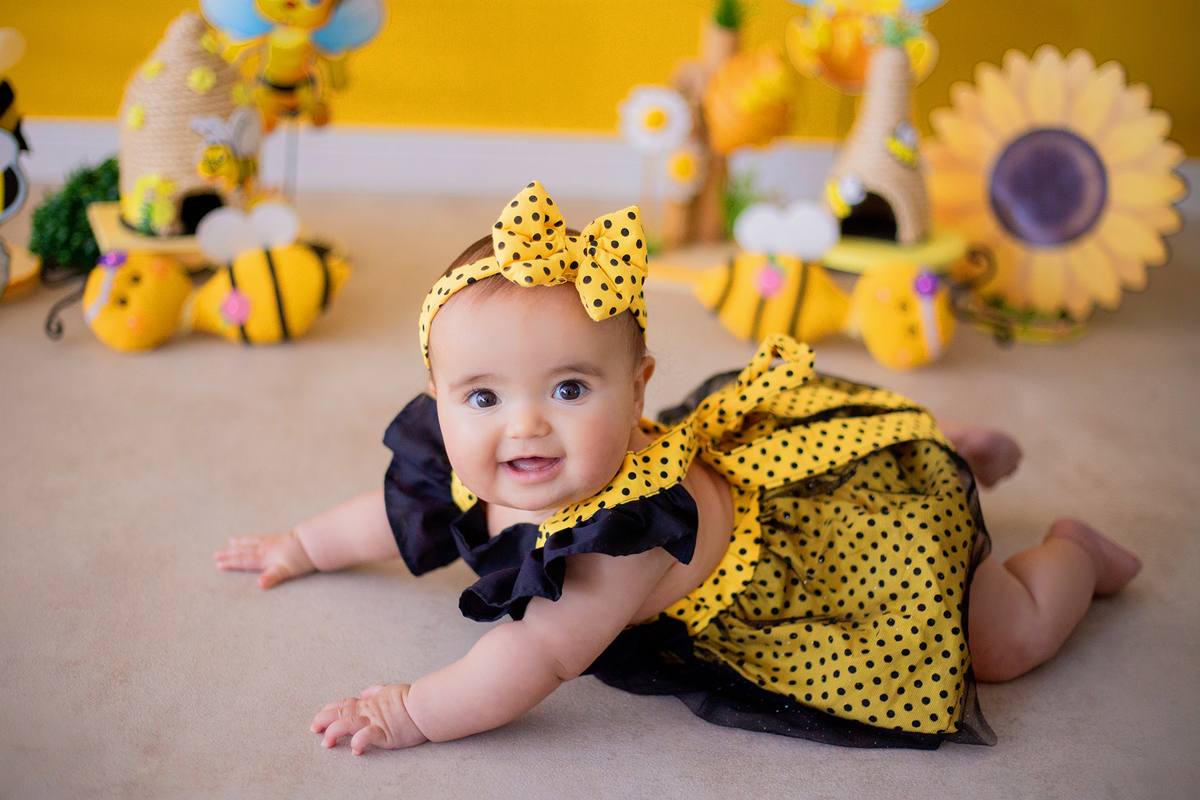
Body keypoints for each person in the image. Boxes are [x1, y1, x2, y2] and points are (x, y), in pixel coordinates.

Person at [215, 182, 1141, 754]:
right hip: (753, 478)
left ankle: (1068, 552)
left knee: (1001, 645)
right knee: (876, 444)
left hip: (832, 559)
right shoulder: (477, 459)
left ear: (638, 388)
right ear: (439, 393)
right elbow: (395, 510)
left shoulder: (621, 540)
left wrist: (410, 711)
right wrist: (302, 542)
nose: (525, 426)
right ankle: (935, 442)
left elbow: (532, 653)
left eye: (571, 389)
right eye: (484, 398)